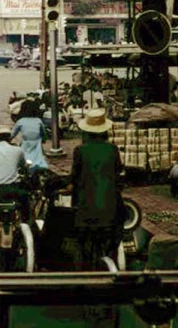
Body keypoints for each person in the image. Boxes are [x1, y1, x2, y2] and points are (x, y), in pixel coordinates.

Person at [71, 108, 124, 270]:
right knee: (113, 238)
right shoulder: (112, 149)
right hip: (111, 206)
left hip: (86, 207)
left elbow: (75, 176)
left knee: (82, 243)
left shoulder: (80, 150)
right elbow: (118, 171)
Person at [12, 99, 49, 170]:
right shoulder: (38, 121)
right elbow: (44, 133)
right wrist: (44, 139)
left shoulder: (20, 121)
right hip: (37, 145)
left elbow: (13, 134)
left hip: (25, 144)